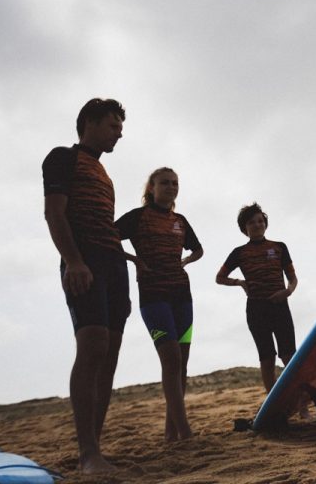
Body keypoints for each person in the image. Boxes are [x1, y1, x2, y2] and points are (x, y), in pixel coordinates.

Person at [42, 98, 130, 473]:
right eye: (113, 125)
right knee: (92, 347)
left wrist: (127, 258)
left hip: (113, 265)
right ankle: (87, 453)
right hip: (86, 262)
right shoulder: (63, 157)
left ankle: (96, 449)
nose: (119, 133)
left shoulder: (104, 173)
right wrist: (74, 261)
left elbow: (103, 222)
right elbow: (54, 212)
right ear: (90, 122)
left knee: (108, 356)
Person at [115, 167, 203, 441]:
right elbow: (107, 236)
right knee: (172, 359)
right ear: (151, 188)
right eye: (164, 183)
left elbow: (198, 249)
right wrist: (134, 260)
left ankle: (170, 433)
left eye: (175, 183)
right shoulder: (138, 217)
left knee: (183, 364)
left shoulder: (180, 221)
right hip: (154, 298)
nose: (170, 187)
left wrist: (186, 261)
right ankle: (185, 433)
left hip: (182, 296)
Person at [216, 203, 299, 395]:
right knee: (267, 356)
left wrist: (288, 291)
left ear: (265, 224)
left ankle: (302, 404)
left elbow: (293, 278)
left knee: (289, 355)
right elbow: (219, 278)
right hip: (256, 308)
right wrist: (240, 283)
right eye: (252, 222)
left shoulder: (279, 247)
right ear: (244, 227)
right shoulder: (239, 253)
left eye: (260, 221)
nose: (257, 225)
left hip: (280, 305)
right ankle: (273, 402)